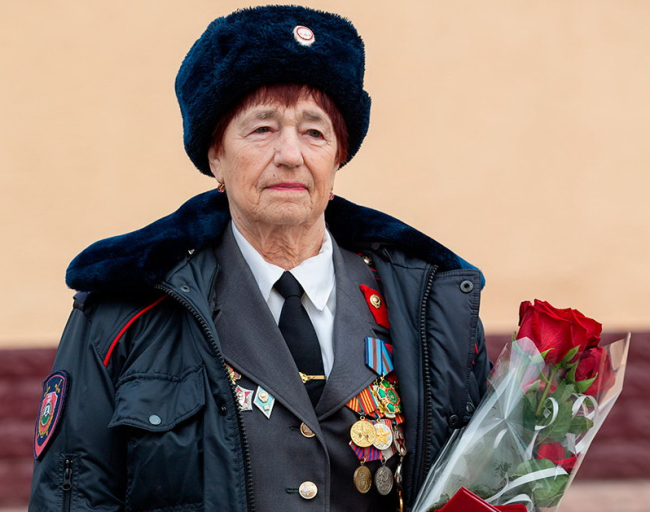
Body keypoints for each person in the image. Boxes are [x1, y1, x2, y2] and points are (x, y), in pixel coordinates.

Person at [29, 6, 490, 512]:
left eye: (314, 132)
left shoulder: (428, 310)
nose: (290, 155)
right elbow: (74, 497)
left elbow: (484, 481)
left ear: (338, 156)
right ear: (215, 156)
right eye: (262, 129)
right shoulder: (123, 313)